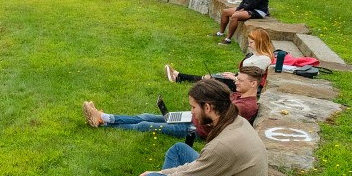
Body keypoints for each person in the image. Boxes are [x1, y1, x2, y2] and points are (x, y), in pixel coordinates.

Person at [132, 79, 267, 176]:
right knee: (179, 149)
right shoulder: (236, 120)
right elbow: (199, 166)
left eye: (193, 107)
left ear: (207, 107)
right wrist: (161, 174)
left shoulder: (222, 146)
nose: (191, 112)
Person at [83, 66, 263, 139]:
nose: (236, 82)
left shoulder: (245, 106)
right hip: (193, 120)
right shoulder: (239, 95)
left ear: (254, 84)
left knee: (145, 125)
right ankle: (104, 117)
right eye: (237, 78)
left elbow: (215, 120)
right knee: (146, 116)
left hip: (197, 130)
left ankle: (103, 122)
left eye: (240, 80)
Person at [167, 27, 274, 90]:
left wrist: (234, 78)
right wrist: (235, 75)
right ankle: (179, 76)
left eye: (251, 42)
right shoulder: (256, 54)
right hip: (239, 80)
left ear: (260, 42)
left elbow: (251, 80)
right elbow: (247, 73)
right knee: (214, 76)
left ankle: (179, 77)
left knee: (212, 80)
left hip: (243, 85)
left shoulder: (263, 59)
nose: (249, 45)